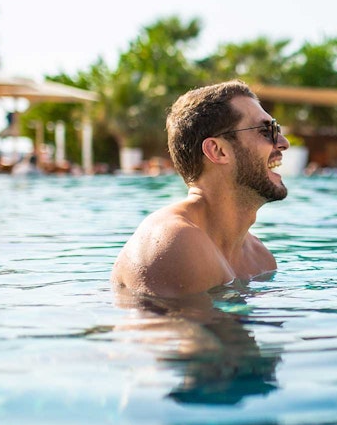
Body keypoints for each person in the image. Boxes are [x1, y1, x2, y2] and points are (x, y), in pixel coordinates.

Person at [111, 80, 290, 300]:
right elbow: (182, 332)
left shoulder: (260, 259)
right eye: (266, 131)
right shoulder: (173, 241)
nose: (283, 142)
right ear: (218, 150)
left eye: (277, 129)